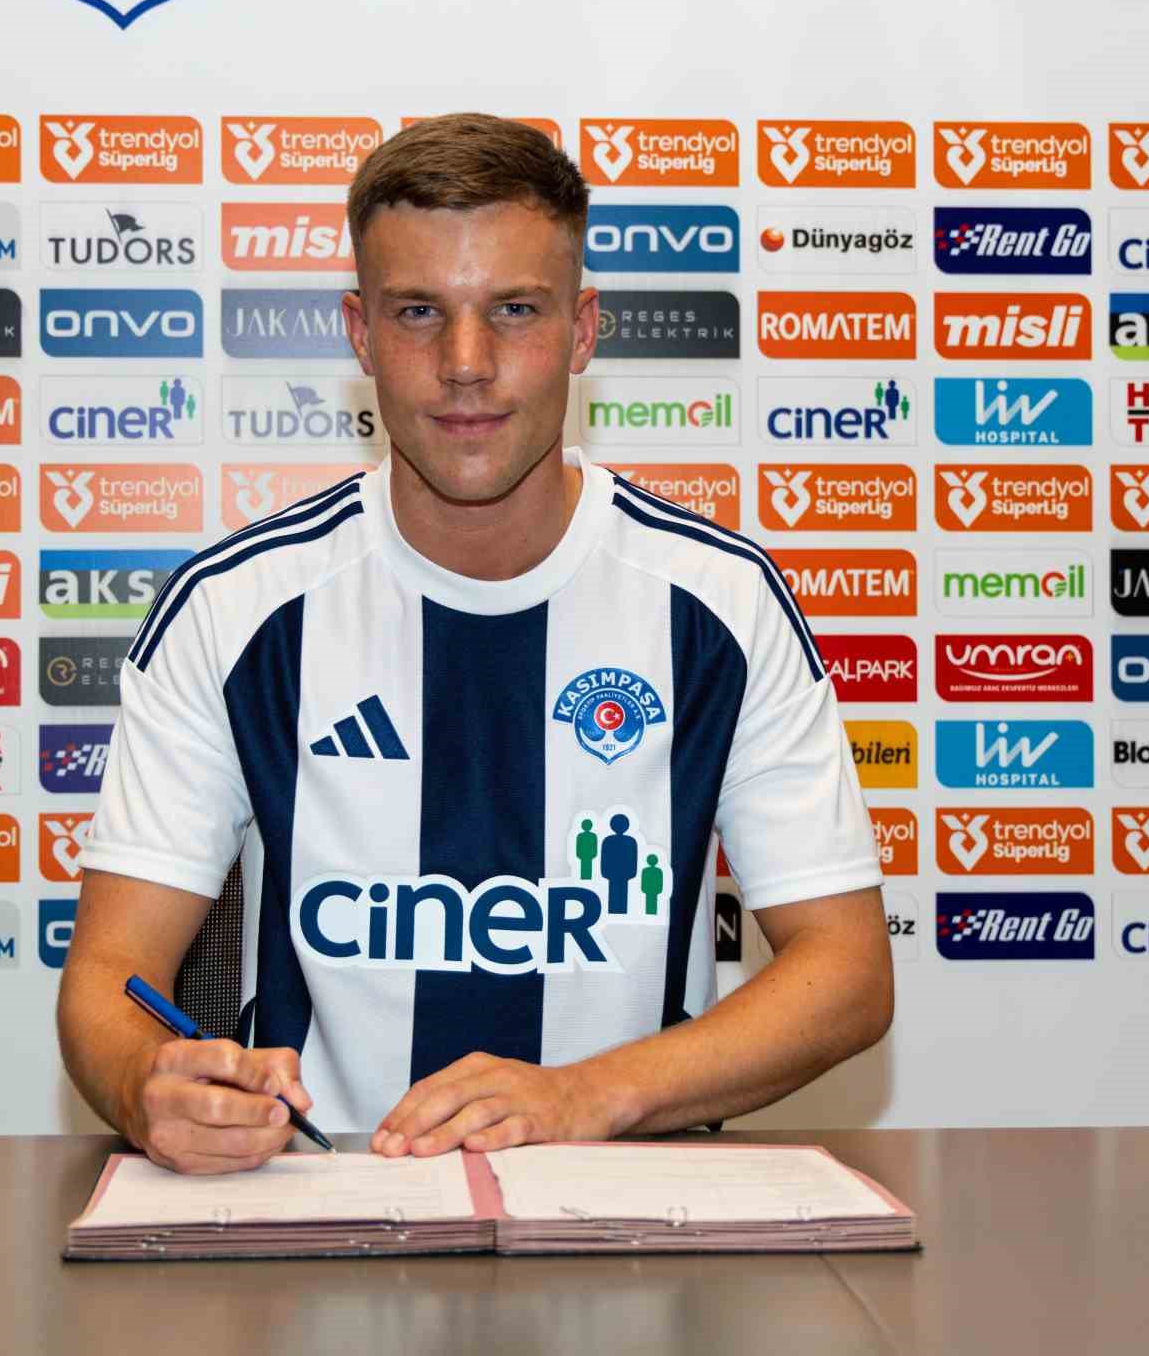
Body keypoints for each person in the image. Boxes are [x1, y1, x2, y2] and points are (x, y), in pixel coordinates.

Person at [57, 113, 892, 1176]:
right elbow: (108, 980)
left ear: (583, 331)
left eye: (514, 310)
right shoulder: (231, 610)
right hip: (317, 1205)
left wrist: (582, 1096)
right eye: (418, 312)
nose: (465, 363)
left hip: (634, 1221)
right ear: (360, 335)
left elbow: (848, 971)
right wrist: (147, 1083)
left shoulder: (720, 603)